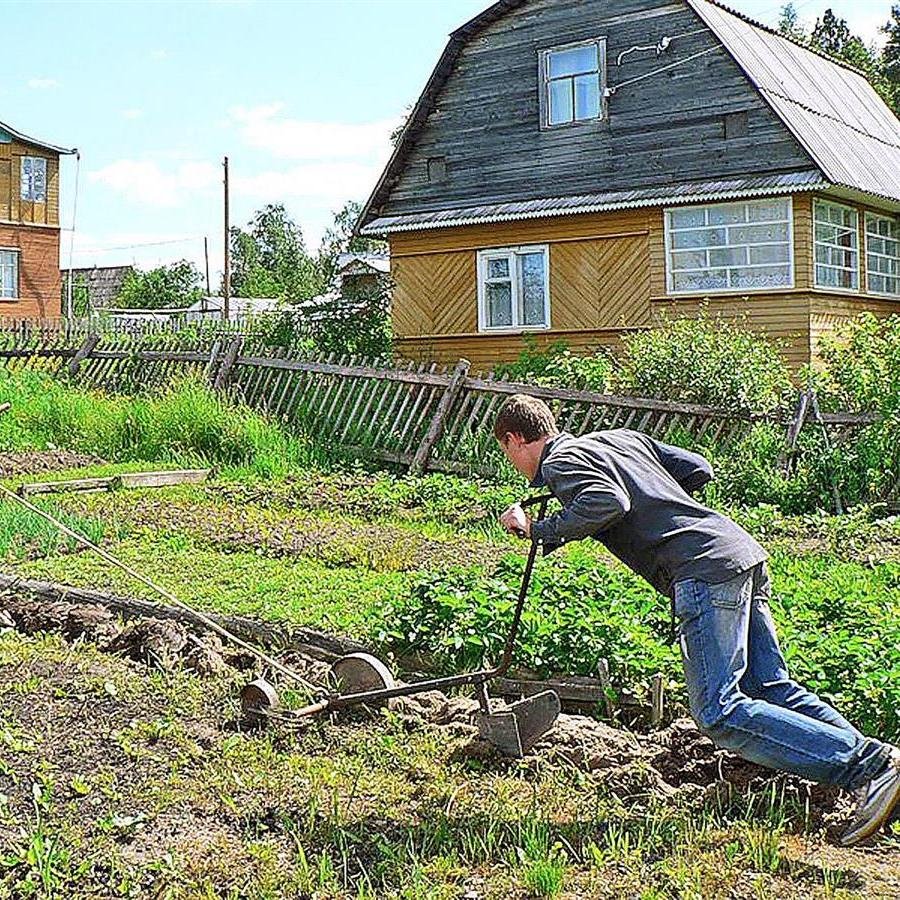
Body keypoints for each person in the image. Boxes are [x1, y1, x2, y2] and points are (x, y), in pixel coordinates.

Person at [494, 393, 899, 846]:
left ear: (514, 440)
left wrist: (537, 528)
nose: (513, 463)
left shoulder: (560, 461)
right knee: (771, 688)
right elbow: (697, 467)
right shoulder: (619, 439)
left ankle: (872, 767)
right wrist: (661, 499)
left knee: (718, 711)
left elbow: (608, 502)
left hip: (701, 571)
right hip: (735, 551)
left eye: (507, 452)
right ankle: (882, 775)